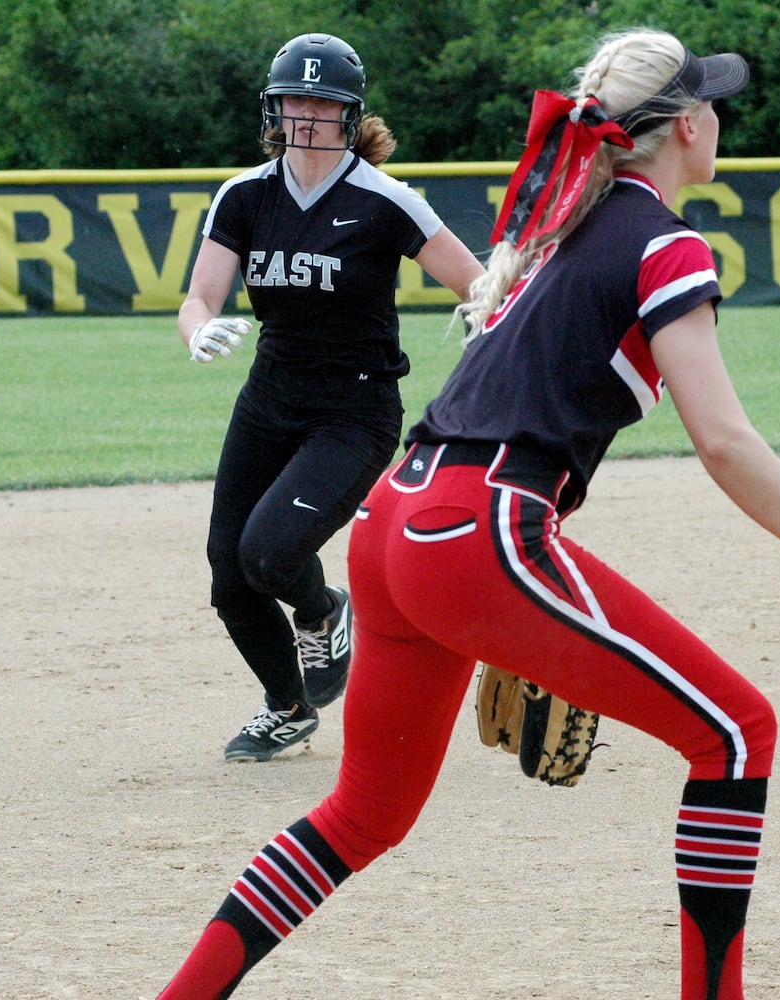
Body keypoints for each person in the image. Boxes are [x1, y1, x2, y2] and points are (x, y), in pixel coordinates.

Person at [154, 28, 780, 999]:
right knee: (736, 733)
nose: (719, 116)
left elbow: (509, 410)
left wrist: (518, 628)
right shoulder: (662, 243)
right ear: (682, 127)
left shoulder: (562, 231)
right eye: (709, 102)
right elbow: (723, 441)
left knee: (362, 814)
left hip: (398, 523)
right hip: (480, 534)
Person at [178, 32, 484, 762]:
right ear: (273, 108)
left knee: (271, 553)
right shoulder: (245, 194)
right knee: (230, 574)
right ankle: (286, 708)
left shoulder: (384, 201)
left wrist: (491, 329)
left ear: (350, 114)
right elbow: (199, 296)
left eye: (323, 101)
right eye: (294, 99)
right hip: (269, 399)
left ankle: (322, 614)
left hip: (355, 408)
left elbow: (478, 287)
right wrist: (197, 330)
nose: (306, 113)